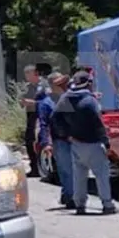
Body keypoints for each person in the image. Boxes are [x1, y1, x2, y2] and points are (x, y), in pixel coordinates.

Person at [62, 71, 119, 216]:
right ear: (89, 83)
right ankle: (107, 205)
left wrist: (66, 134)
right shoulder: (90, 101)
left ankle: (80, 205)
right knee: (101, 175)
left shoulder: (67, 98)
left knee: (79, 176)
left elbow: (56, 118)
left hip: (76, 143)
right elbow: (98, 123)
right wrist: (106, 143)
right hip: (93, 144)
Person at [47, 73, 77, 208]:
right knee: (65, 170)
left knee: (68, 170)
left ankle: (71, 198)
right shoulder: (59, 100)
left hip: (65, 140)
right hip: (61, 140)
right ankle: (68, 195)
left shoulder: (66, 99)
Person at [21, 64, 45, 177]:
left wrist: (33, 103)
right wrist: (22, 102)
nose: (27, 77)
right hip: (30, 117)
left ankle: (41, 167)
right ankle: (34, 167)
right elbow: (23, 100)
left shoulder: (44, 86)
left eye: (28, 74)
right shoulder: (28, 87)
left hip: (41, 118)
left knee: (39, 142)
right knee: (29, 142)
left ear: (35, 73)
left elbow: (49, 102)